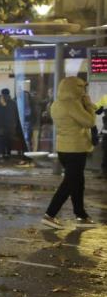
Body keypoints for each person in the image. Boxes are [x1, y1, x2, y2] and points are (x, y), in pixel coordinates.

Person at [42, 77, 97, 228]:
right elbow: (90, 122)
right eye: (81, 88)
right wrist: (88, 105)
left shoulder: (56, 103)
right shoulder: (72, 104)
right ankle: (50, 214)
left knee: (77, 182)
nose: (84, 91)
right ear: (74, 88)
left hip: (63, 149)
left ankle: (81, 215)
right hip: (76, 148)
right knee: (69, 183)